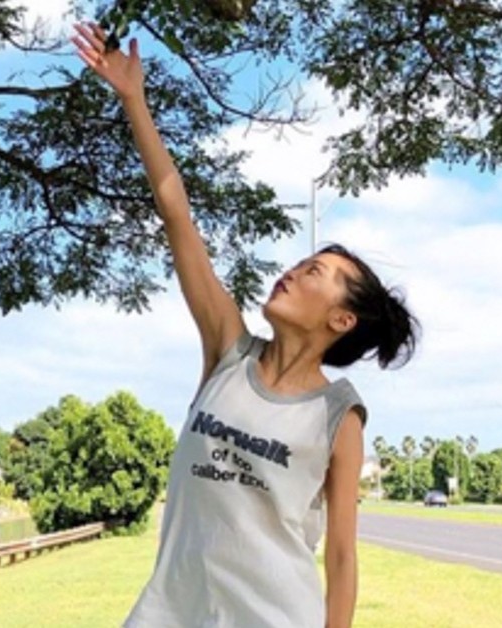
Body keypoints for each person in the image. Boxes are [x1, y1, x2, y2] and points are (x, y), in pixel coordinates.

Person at [72, 22, 419, 628]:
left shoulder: (338, 415)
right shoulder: (228, 353)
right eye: (301, 264)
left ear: (342, 318)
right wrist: (134, 101)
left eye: (315, 273)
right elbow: (176, 215)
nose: (293, 273)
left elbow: (341, 556)